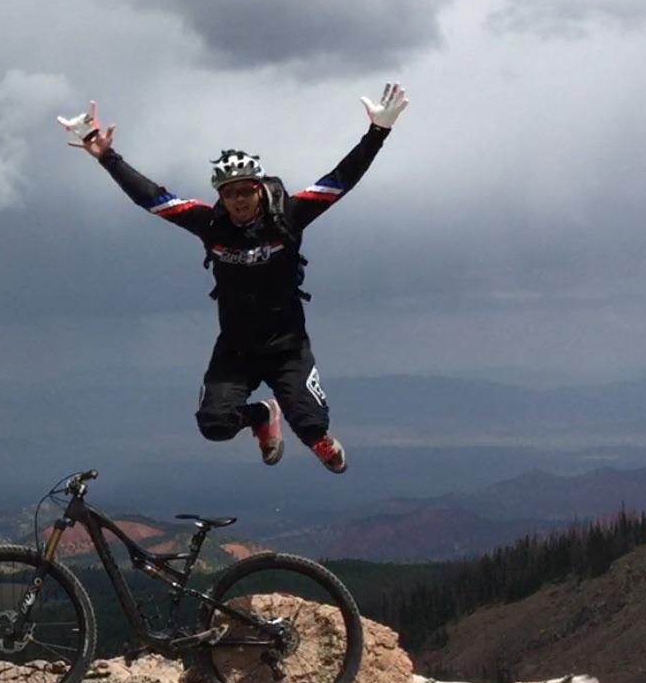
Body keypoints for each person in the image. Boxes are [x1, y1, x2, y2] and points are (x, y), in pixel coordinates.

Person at [61, 84, 409, 472]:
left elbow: (340, 180)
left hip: (287, 350)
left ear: (260, 190)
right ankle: (262, 415)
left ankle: (317, 439)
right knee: (214, 425)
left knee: (312, 426)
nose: (239, 200)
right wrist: (105, 155)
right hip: (235, 350)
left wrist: (379, 131)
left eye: (246, 191)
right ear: (220, 197)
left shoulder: (288, 217)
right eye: (230, 194)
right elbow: (152, 197)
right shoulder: (210, 225)